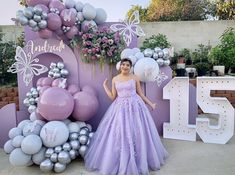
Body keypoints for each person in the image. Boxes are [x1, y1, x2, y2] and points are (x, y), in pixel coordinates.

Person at [85, 58, 168, 175]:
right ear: (120, 66)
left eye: (127, 65)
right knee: (122, 132)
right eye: (123, 65)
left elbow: (140, 93)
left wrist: (151, 104)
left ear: (130, 67)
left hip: (135, 107)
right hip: (120, 109)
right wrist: (105, 86)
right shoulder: (115, 79)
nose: (125, 67)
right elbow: (113, 97)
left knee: (137, 131)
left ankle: (139, 157)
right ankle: (123, 158)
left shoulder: (135, 78)